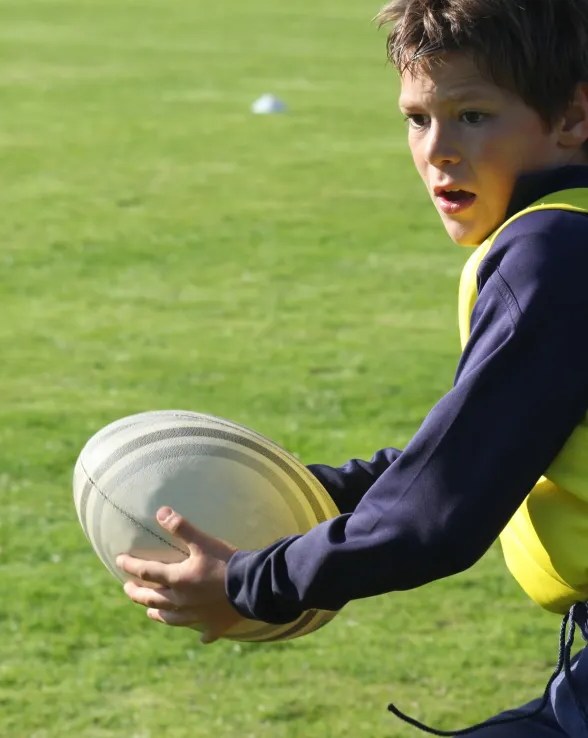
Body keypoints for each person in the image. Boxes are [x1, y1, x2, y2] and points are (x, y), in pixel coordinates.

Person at [115, 1, 588, 735]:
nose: (437, 150)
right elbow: (483, 451)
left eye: (471, 115)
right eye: (416, 119)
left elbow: (439, 513)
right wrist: (298, 493)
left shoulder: (553, 256)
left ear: (572, 117)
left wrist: (249, 583)